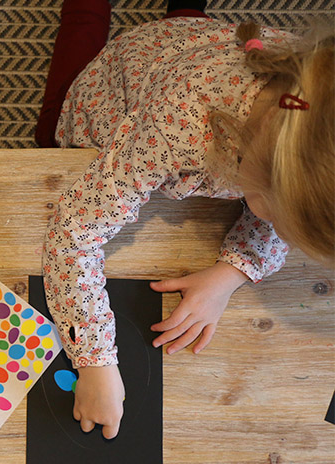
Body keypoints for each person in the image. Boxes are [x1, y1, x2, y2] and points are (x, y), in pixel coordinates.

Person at [37, 1, 335, 438]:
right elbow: (73, 234)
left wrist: (234, 269)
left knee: (185, 21)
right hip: (116, 86)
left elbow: (290, 201)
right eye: (274, 214)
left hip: (191, 43)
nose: (275, 228)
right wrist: (95, 361)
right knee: (53, 118)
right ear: (256, 174)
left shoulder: (312, 88)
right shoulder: (175, 131)